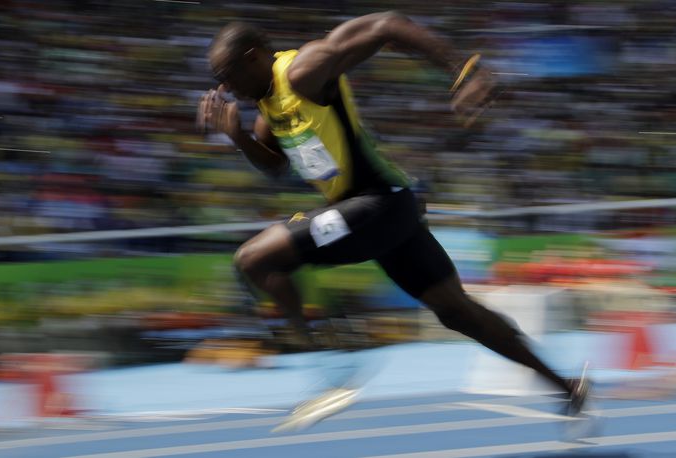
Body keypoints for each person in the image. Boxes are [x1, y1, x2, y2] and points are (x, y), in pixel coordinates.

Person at [196, 11, 589, 430]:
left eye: (227, 75)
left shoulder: (303, 70)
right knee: (456, 312)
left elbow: (385, 24)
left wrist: (464, 71)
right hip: (375, 215)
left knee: (254, 260)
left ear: (253, 57)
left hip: (377, 204)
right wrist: (238, 138)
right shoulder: (267, 109)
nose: (224, 89)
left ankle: (329, 360)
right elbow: (275, 166)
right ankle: (566, 386)